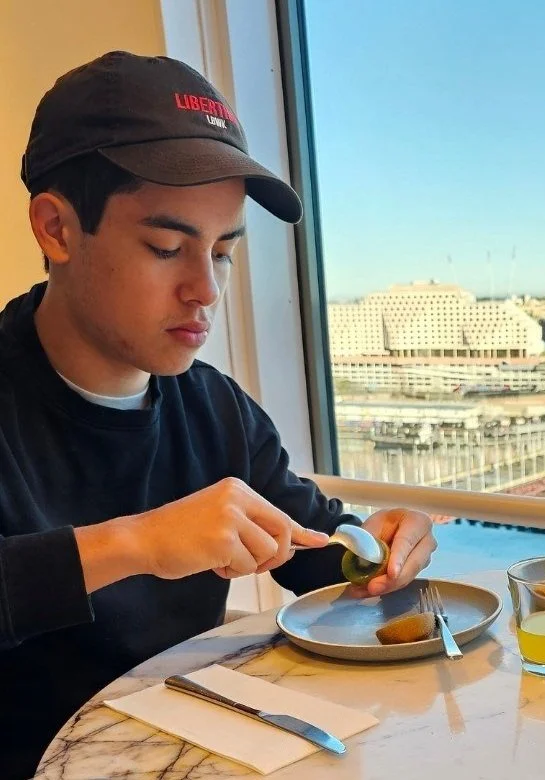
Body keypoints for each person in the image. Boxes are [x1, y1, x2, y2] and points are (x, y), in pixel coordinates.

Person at [0, 51, 436, 778]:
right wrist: (136, 543)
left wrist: (375, 548)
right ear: (57, 229)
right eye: (166, 247)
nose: (205, 289)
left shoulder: (215, 407)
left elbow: (312, 548)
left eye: (224, 252)